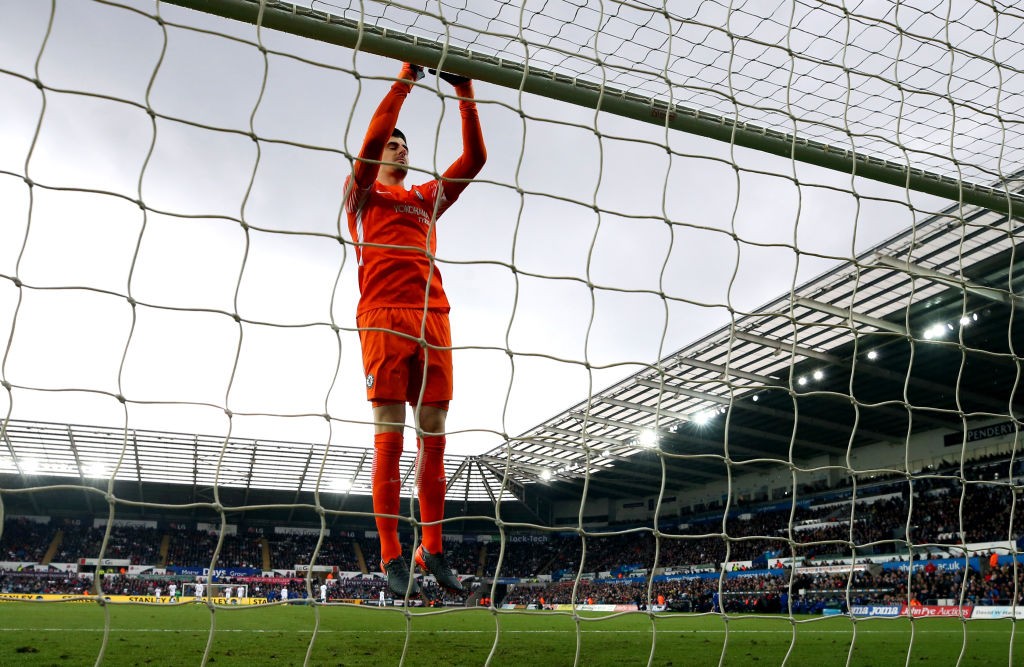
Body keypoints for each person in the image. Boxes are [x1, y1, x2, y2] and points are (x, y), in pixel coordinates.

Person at [344, 60, 486, 598]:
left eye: (405, 144)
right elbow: (377, 131)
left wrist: (463, 89)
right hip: (382, 316)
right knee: (390, 439)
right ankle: (391, 556)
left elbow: (475, 158)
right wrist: (405, 80)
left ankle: (433, 548)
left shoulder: (426, 199)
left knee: (435, 441)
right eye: (393, 145)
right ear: (374, 158)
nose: (401, 147)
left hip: (435, 317)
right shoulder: (363, 194)